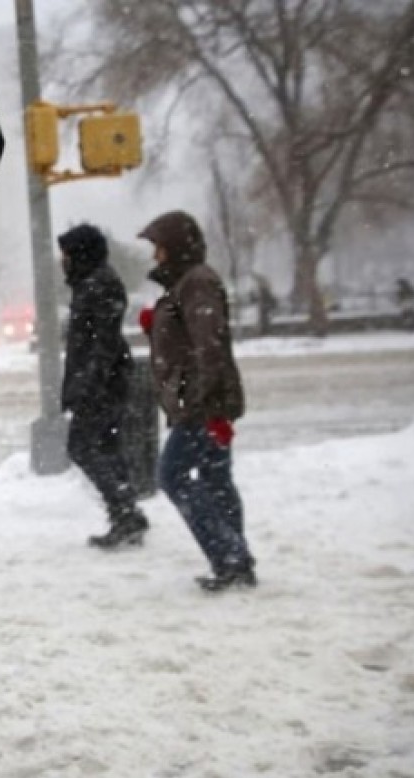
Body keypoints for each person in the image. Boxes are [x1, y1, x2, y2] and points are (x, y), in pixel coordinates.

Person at [138, 211, 255, 592]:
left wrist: (211, 409)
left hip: (201, 405)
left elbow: (210, 346)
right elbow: (191, 337)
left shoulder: (197, 284)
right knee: (216, 479)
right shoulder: (188, 284)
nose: (155, 255)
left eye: (158, 246)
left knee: (171, 476)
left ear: (173, 246)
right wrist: (156, 325)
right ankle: (237, 561)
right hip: (203, 401)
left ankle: (230, 557)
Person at [58, 225, 149, 549]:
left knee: (81, 446)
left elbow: (102, 343)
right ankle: (127, 513)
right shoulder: (91, 283)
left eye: (67, 254)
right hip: (100, 382)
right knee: (107, 447)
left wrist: (87, 385)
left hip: (101, 385)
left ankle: (125, 511)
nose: (63, 261)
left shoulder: (100, 285)